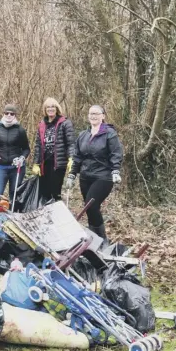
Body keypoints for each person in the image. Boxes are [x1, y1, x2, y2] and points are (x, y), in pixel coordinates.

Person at [66, 105, 123, 243]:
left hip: (103, 176)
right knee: (91, 209)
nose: (93, 116)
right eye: (91, 113)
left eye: (97, 114)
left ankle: (102, 239)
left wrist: (115, 170)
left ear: (103, 116)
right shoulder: (83, 135)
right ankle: (94, 240)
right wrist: (72, 174)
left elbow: (116, 153)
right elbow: (78, 156)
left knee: (90, 205)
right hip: (86, 177)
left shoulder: (110, 134)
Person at [0, 104, 30, 205]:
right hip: (0, 167)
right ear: (3, 114)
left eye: (12, 113)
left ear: (15, 115)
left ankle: (13, 217)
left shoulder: (20, 130)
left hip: (17, 168)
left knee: (15, 196)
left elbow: (26, 149)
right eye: (6, 113)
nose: (9, 115)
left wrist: (22, 158)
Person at [32, 97, 75, 201]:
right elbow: (38, 145)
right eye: (48, 107)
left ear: (57, 109)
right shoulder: (42, 124)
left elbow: (71, 143)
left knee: (55, 191)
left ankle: (57, 212)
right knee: (44, 191)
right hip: (44, 163)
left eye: (53, 107)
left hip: (58, 163)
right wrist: (36, 163)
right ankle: (45, 212)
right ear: (45, 109)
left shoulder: (64, 123)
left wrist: (71, 158)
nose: (50, 109)